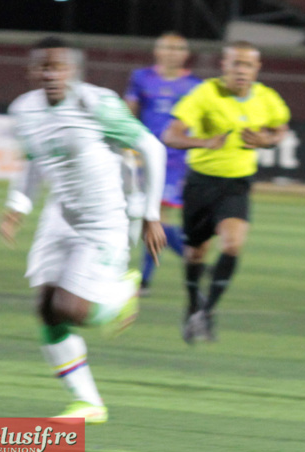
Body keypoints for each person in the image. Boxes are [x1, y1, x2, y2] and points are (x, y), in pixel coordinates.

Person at [0, 37, 167, 423]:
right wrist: (17, 205)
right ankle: (89, 403)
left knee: (71, 308)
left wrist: (152, 215)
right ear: (32, 71)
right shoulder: (23, 111)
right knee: (46, 309)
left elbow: (151, 148)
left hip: (104, 217)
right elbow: (32, 162)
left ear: (73, 70)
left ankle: (123, 291)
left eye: (58, 66)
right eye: (43, 67)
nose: (50, 74)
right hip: (59, 216)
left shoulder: (96, 103)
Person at [162, 40, 290, 343]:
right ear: (224, 66)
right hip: (200, 183)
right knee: (196, 253)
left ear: (256, 68)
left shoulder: (266, 98)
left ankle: (206, 313)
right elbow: (171, 134)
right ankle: (193, 306)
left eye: (248, 65)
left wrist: (266, 140)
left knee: (233, 244)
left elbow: (280, 126)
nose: (241, 70)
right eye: (236, 64)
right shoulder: (205, 94)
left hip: (236, 184)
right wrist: (203, 142)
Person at [124, 32, 202, 294]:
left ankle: (145, 279)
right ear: (157, 51)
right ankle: (193, 257)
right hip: (149, 158)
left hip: (179, 161)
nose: (172, 52)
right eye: (167, 47)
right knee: (155, 217)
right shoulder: (141, 78)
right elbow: (129, 113)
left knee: (156, 216)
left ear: (185, 53)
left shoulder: (195, 85)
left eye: (178, 48)